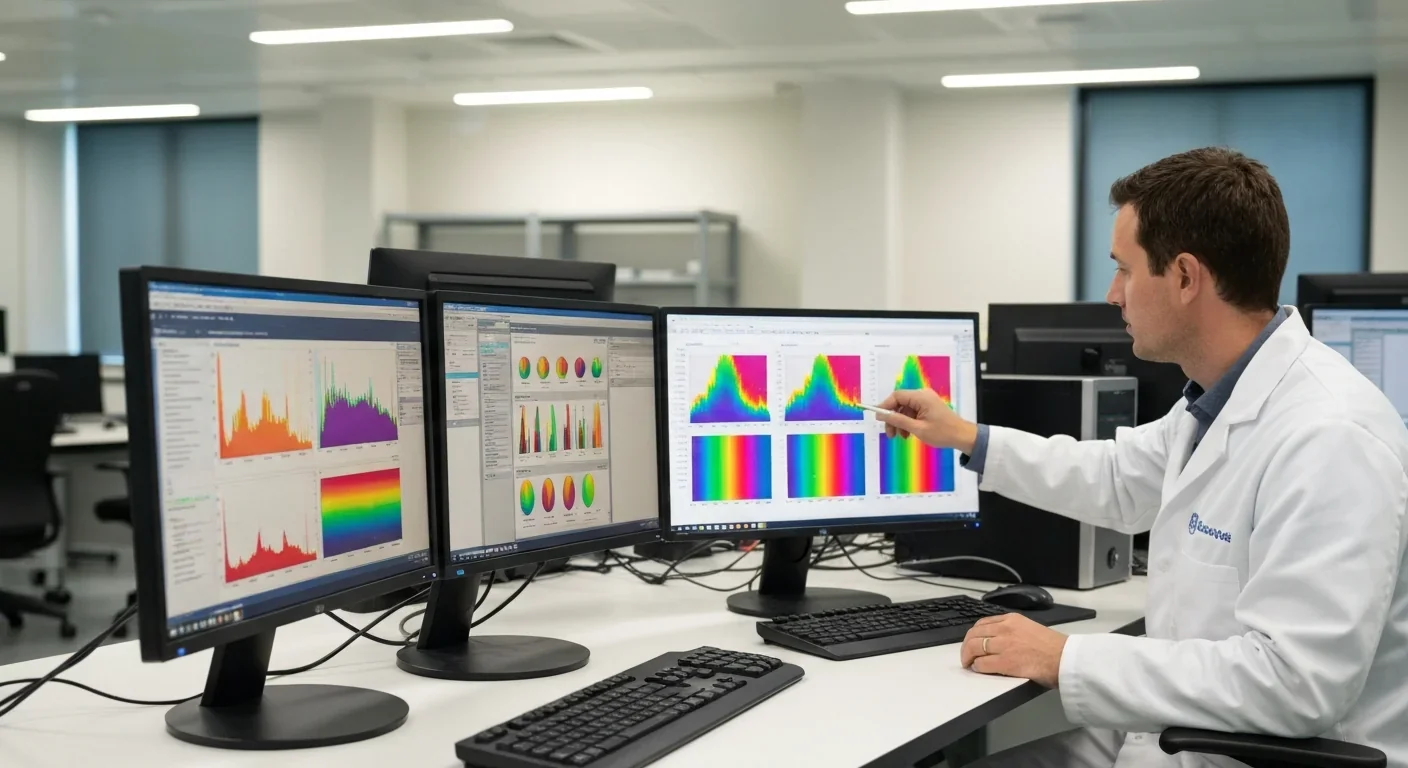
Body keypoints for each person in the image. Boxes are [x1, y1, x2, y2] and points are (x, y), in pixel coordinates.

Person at [878, 147, 1408, 767]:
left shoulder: (1330, 436)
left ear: (1185, 277)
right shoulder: (1216, 401)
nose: (1112, 294)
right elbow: (1117, 480)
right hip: (1177, 734)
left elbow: (1296, 683)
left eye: (1124, 270)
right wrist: (967, 437)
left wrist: (1064, 657)